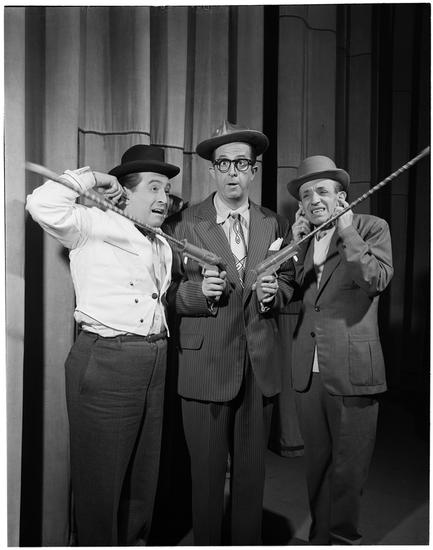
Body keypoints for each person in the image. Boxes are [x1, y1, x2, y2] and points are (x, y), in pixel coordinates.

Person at [26, 144, 180, 546]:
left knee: (142, 479)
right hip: (108, 361)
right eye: (154, 187)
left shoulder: (161, 242)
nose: (164, 198)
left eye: (167, 190)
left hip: (155, 358)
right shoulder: (91, 223)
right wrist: (93, 178)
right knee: (101, 486)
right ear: (125, 191)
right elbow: (41, 204)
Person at [165, 121, 295, 545]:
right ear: (212, 171)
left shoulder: (274, 223)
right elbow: (164, 292)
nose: (233, 172)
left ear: (254, 170)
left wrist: (274, 295)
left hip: (258, 366)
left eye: (241, 163)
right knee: (205, 478)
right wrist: (197, 294)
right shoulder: (183, 224)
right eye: (224, 163)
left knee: (251, 477)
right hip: (205, 366)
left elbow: (288, 281)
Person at [288, 155, 394, 544]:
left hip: (353, 369)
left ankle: (343, 540)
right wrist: (295, 246)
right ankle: (320, 539)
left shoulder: (370, 227)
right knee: (316, 466)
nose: (313, 200)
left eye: (321, 191)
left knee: (348, 471)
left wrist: (347, 230)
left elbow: (375, 280)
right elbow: (290, 292)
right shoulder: (303, 238)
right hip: (308, 370)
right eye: (306, 195)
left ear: (341, 196)